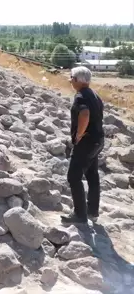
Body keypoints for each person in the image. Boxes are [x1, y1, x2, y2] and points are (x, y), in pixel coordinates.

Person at [62, 66, 104, 224]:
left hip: (86, 142)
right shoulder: (95, 94)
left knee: (73, 177)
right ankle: (93, 211)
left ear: (77, 80)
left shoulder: (80, 97)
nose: (70, 81)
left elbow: (85, 114)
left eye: (71, 78)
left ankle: (80, 215)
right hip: (98, 140)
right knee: (92, 175)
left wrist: (79, 135)